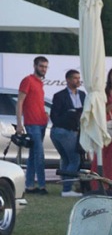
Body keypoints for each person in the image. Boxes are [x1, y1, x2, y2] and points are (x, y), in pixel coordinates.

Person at [15, 55, 49, 194]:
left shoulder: (40, 83)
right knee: (39, 155)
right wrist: (19, 123)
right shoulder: (28, 80)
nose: (44, 69)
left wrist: (45, 114)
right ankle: (41, 185)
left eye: (45, 67)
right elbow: (20, 102)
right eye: (41, 66)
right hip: (32, 123)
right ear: (35, 66)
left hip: (42, 123)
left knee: (33, 156)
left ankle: (29, 185)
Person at [50, 69, 86, 197]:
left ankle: (66, 187)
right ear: (68, 80)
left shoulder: (82, 95)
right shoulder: (60, 96)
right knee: (74, 159)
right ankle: (66, 189)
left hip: (73, 130)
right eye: (75, 78)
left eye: (79, 78)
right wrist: (70, 116)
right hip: (63, 131)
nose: (78, 80)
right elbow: (54, 116)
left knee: (66, 159)